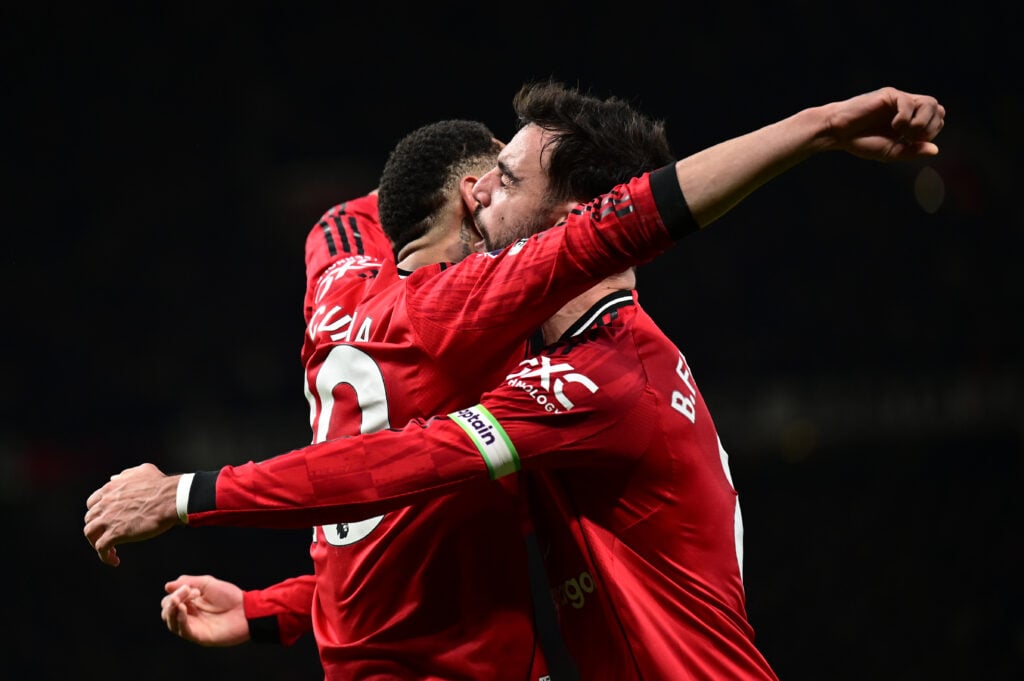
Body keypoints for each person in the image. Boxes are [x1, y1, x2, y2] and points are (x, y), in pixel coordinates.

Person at [85, 83, 945, 679]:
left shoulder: (598, 381)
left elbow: (398, 468)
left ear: (572, 220)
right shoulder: (556, 374)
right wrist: (273, 610)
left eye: (507, 183)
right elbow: (429, 535)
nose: (480, 200)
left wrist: (188, 495)